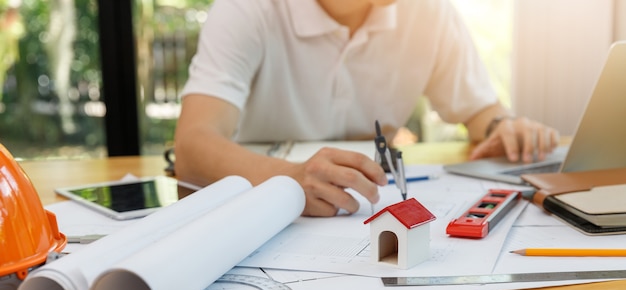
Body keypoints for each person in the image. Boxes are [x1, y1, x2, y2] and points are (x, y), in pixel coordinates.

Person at [173, 0, 559, 217]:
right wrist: (289, 178)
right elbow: (193, 146)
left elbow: (478, 112)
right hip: (267, 206)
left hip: (366, 206)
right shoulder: (248, 9)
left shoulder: (428, 12)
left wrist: (502, 125)